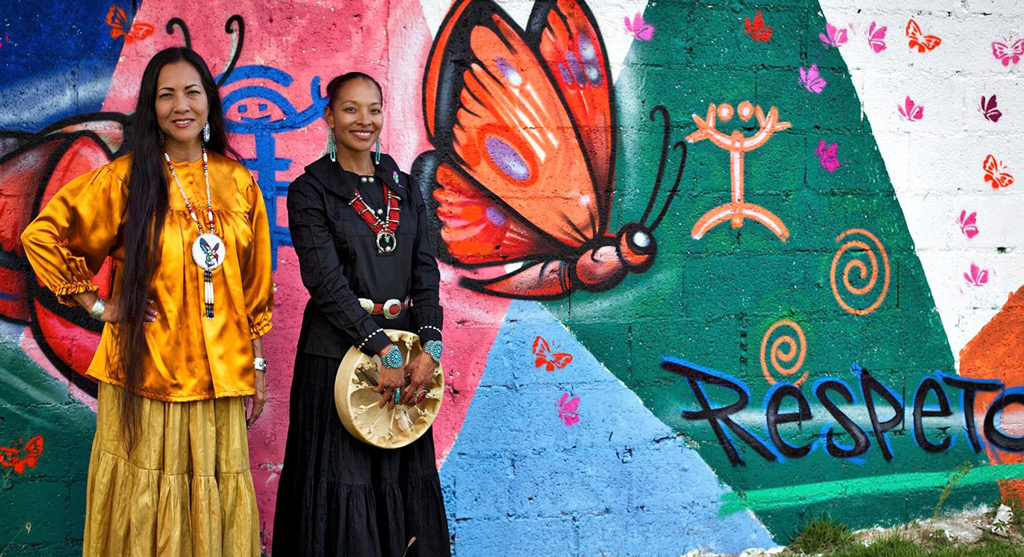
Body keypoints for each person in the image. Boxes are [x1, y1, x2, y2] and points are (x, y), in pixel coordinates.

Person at [20, 47, 273, 557]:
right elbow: (42, 236)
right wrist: (98, 306)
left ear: (210, 103)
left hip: (217, 380)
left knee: (209, 497)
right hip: (144, 372)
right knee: (144, 498)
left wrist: (258, 364)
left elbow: (252, 286)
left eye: (192, 92)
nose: (181, 105)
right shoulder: (126, 179)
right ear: (151, 107)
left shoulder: (238, 182)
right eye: (166, 94)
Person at [273, 72, 450, 556]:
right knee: (342, 483)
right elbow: (325, 285)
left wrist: (428, 349)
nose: (363, 120)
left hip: (406, 360)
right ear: (329, 117)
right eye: (350, 109)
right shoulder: (310, 191)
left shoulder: (403, 184)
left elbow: (424, 272)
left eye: (373, 109)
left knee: (400, 483)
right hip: (336, 363)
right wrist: (381, 350)